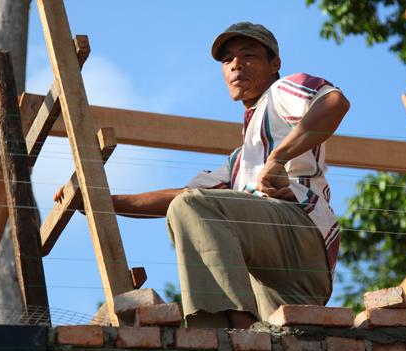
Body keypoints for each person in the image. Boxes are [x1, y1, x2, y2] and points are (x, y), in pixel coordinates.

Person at [55, 22, 349, 328]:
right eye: (227, 60)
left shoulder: (281, 90)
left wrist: (279, 158)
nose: (236, 65)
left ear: (274, 63)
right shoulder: (239, 162)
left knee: (194, 208)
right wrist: (95, 201)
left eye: (248, 56)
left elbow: (333, 102)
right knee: (278, 336)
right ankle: (247, 334)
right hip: (283, 280)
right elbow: (178, 199)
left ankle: (227, 331)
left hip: (300, 233)